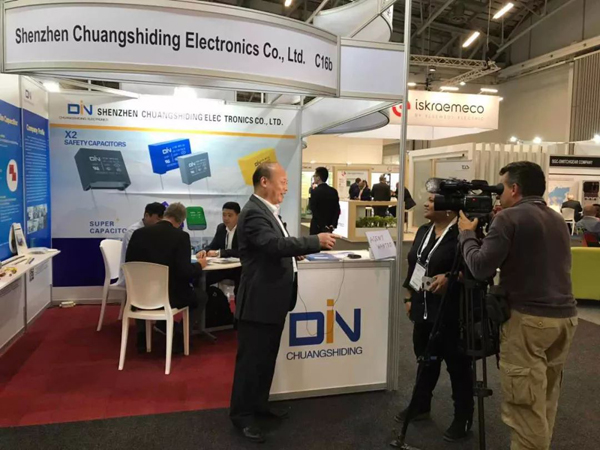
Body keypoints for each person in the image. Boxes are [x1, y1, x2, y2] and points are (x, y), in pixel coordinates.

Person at [458, 161, 578, 450]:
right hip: (565, 319)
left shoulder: (509, 219)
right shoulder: (555, 218)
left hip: (528, 322)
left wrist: (467, 235)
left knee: (524, 410)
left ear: (514, 188)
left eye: (500, 188)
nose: (498, 196)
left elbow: (480, 267)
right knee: (544, 402)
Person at [229, 163, 336, 443]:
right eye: (283, 182)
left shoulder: (267, 211)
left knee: (265, 360)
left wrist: (294, 253)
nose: (286, 188)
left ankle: (259, 407)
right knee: (251, 363)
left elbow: (276, 245)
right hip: (258, 303)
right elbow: (272, 246)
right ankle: (242, 416)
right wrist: (314, 241)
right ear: (264, 181)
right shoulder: (254, 212)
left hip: (272, 301)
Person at [391, 194, 473, 446]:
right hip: (423, 308)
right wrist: (409, 296)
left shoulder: (462, 234)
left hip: (451, 312)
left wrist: (452, 277)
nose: (425, 204)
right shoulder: (424, 231)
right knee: (425, 359)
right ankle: (421, 405)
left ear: (448, 209)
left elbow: (477, 270)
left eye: (432, 201)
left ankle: (463, 417)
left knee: (458, 366)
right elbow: (415, 264)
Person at [126, 203, 208, 353]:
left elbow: (130, 264)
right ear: (181, 221)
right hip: (168, 297)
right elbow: (184, 272)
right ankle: (180, 337)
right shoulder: (181, 237)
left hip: (139, 296)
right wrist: (199, 265)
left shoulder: (138, 234)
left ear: (165, 214)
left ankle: (142, 336)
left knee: (143, 286)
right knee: (201, 296)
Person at [117, 202, 165, 286]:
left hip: (150, 271)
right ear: (146, 215)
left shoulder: (157, 231)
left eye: (162, 220)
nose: (159, 223)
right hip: (132, 273)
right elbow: (135, 257)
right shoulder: (133, 231)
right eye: (158, 219)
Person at [200, 202, 242, 296]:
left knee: (240, 285)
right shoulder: (221, 228)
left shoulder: (243, 230)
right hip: (223, 268)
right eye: (224, 215)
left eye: (230, 215)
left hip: (239, 268)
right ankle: (209, 301)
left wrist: (220, 253)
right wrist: (204, 251)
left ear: (238, 216)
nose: (226, 218)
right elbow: (213, 245)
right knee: (203, 279)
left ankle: (239, 304)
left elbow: (240, 251)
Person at [309, 167, 340, 235]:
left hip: (317, 227)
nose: (314, 177)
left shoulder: (315, 192)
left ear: (318, 177)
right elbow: (337, 209)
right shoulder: (333, 191)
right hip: (329, 226)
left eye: (315, 176)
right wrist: (333, 224)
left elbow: (314, 210)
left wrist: (323, 225)